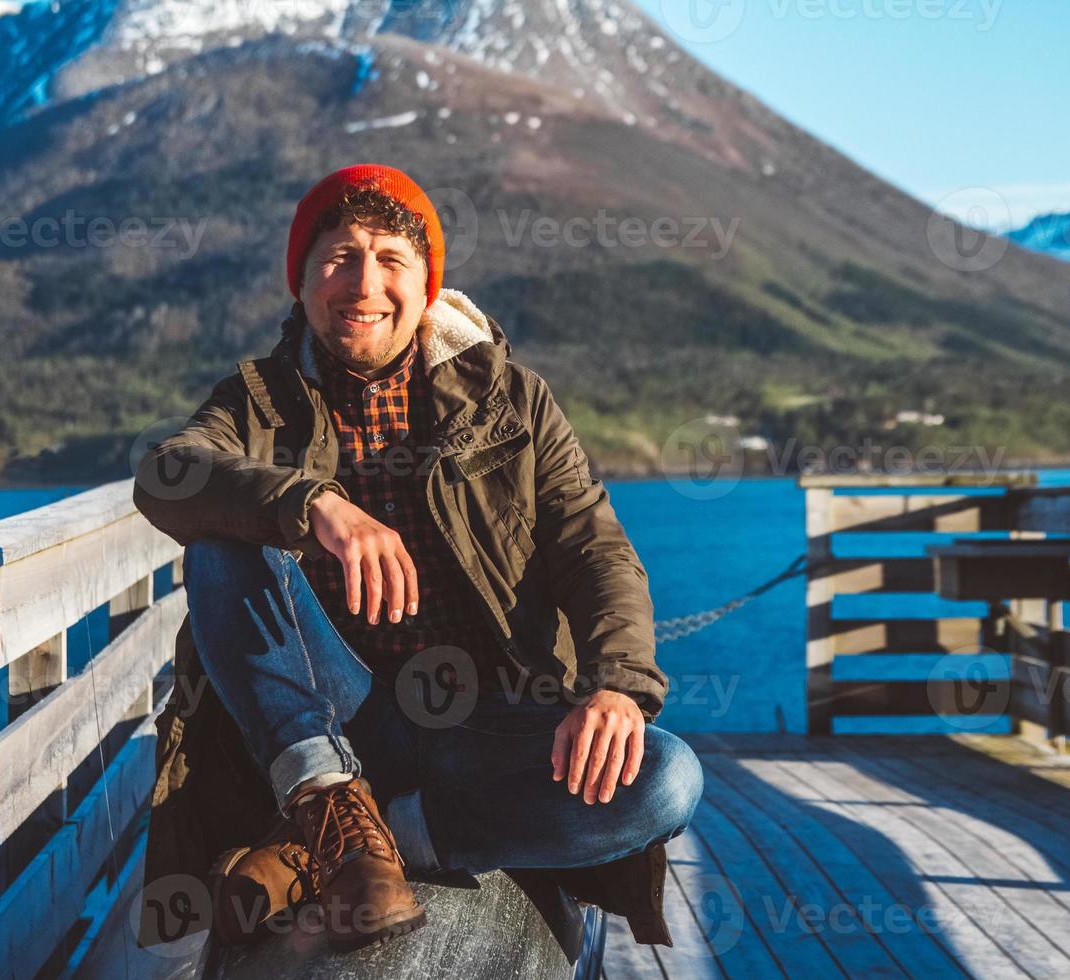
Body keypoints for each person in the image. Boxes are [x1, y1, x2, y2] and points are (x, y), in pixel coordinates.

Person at [133, 164, 702, 954]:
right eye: (337, 257)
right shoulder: (258, 400)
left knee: (667, 777)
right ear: (300, 283)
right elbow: (167, 475)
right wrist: (312, 505)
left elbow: (595, 550)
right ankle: (328, 798)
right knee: (221, 551)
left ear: (427, 285)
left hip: (494, 717)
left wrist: (618, 688)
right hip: (337, 714)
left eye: (391, 259)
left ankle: (355, 841)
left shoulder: (514, 402)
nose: (363, 282)